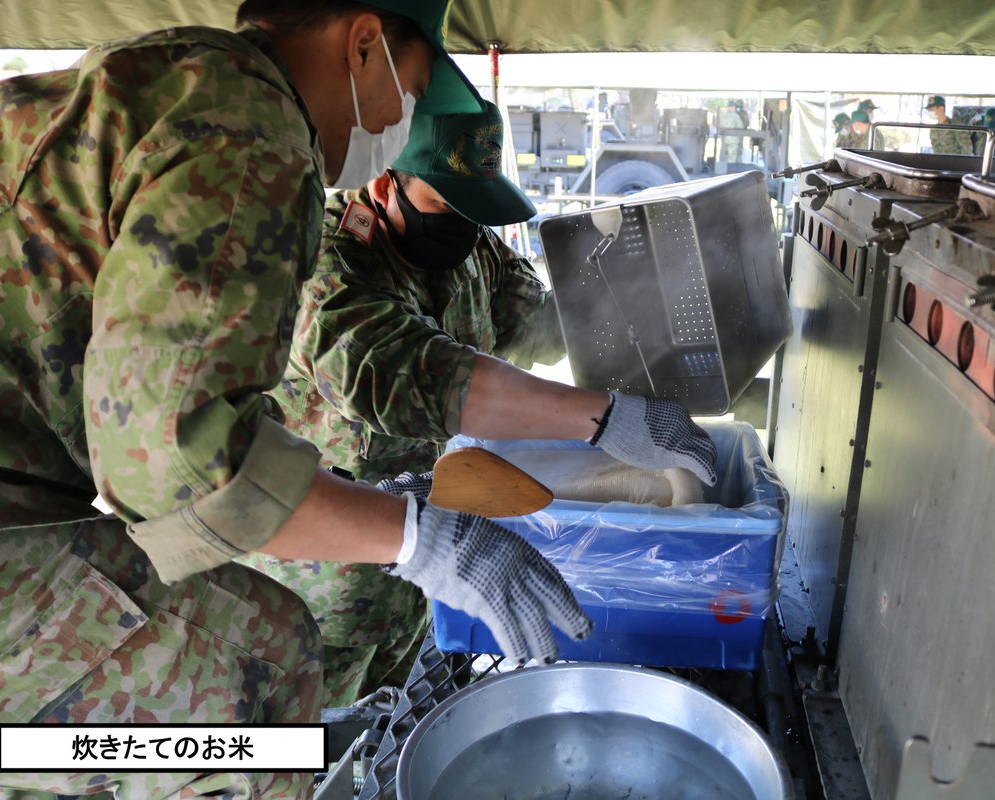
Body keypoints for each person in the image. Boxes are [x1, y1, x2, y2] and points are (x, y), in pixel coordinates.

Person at [0, 1, 637, 797]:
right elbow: (180, 469)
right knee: (256, 667)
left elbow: (158, 460)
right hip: (292, 552)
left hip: (35, 509)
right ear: (364, 44)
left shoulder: (181, 85)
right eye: (415, 89)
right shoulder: (250, 131)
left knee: (89, 746)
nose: (404, 115)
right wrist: (425, 538)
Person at [248, 99, 721, 706]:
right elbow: (400, 374)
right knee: (302, 754)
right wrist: (602, 417)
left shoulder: (475, 250)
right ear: (384, 181)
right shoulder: (328, 263)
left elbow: (542, 329)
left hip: (439, 559)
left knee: (385, 734)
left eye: (477, 207)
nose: (465, 224)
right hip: (326, 577)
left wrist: (638, 316)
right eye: (446, 203)